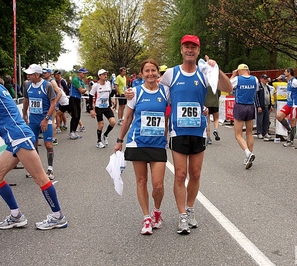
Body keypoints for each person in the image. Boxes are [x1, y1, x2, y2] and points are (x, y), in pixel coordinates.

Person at [0, 63, 68, 230]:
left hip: (19, 136)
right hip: (14, 139)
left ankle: (58, 216)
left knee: (40, 178)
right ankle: (16, 215)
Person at [159, 35, 233, 234]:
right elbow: (156, 95)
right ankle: (182, 215)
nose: (190, 50)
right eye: (187, 47)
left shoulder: (204, 72)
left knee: (196, 173)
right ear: (181, 50)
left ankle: (190, 209)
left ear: (198, 51)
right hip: (178, 131)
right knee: (180, 174)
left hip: (198, 131)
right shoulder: (171, 74)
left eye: (194, 47)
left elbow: (228, 88)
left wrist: (216, 69)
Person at [114, 59, 168, 235]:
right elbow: (128, 118)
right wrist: (120, 140)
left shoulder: (165, 91)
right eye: (147, 71)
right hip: (138, 142)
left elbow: (184, 97)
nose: (150, 74)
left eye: (153, 70)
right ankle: (146, 217)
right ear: (141, 74)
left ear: (158, 73)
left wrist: (203, 108)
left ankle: (156, 212)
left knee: (158, 185)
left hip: (158, 143)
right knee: (141, 181)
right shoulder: (135, 92)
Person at [23, 64, 59, 180]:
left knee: (48, 144)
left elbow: (53, 103)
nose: (28, 76)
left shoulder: (47, 85)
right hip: (33, 120)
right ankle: (36, 169)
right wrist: (24, 114)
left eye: (30, 74)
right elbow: (26, 100)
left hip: (45, 119)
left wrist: (46, 119)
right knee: (33, 145)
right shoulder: (27, 85)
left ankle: (50, 169)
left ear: (37, 75)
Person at [230, 63, 258, 169]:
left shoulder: (237, 79)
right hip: (250, 106)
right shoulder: (255, 79)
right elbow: (256, 90)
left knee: (238, 135)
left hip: (240, 106)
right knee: (249, 133)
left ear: (239, 71)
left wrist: (233, 75)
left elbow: (228, 86)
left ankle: (248, 153)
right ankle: (249, 157)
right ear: (248, 70)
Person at [89, 69, 116, 148]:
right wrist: (91, 109)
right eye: (103, 74)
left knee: (113, 122)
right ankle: (99, 141)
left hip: (107, 106)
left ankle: (105, 134)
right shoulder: (96, 85)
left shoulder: (108, 83)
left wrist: (110, 106)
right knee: (101, 125)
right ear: (99, 76)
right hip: (99, 107)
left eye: (106, 74)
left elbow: (109, 95)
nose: (105, 75)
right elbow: (90, 96)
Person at [276, 68, 297, 147]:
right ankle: (290, 131)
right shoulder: (288, 80)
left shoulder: (294, 81)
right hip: (289, 103)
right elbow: (279, 79)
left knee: (293, 121)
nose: (284, 73)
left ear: (289, 72)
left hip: (295, 104)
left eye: (285, 71)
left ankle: (290, 140)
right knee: (279, 116)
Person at [42, 68, 62, 146]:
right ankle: (48, 137)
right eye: (43, 73)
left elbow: (59, 93)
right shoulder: (44, 82)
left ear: (49, 73)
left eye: (45, 73)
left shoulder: (52, 82)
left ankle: (54, 138)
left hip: (51, 104)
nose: (44, 74)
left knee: (52, 121)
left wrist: (54, 103)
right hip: (45, 104)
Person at [69, 68, 88, 139]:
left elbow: (84, 89)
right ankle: (71, 132)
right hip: (73, 98)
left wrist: (84, 90)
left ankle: (74, 131)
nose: (84, 74)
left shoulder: (82, 81)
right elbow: (81, 90)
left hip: (78, 99)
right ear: (79, 73)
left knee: (78, 116)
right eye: (83, 73)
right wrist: (84, 90)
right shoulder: (75, 80)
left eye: (85, 73)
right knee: (75, 116)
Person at [255, 74, 274, 141]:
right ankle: (259, 132)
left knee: (266, 120)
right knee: (260, 120)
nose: (265, 80)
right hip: (261, 106)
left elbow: (269, 96)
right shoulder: (259, 86)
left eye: (266, 79)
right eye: (264, 78)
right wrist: (258, 106)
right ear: (261, 79)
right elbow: (256, 97)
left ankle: (265, 132)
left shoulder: (267, 87)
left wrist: (270, 105)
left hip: (267, 105)